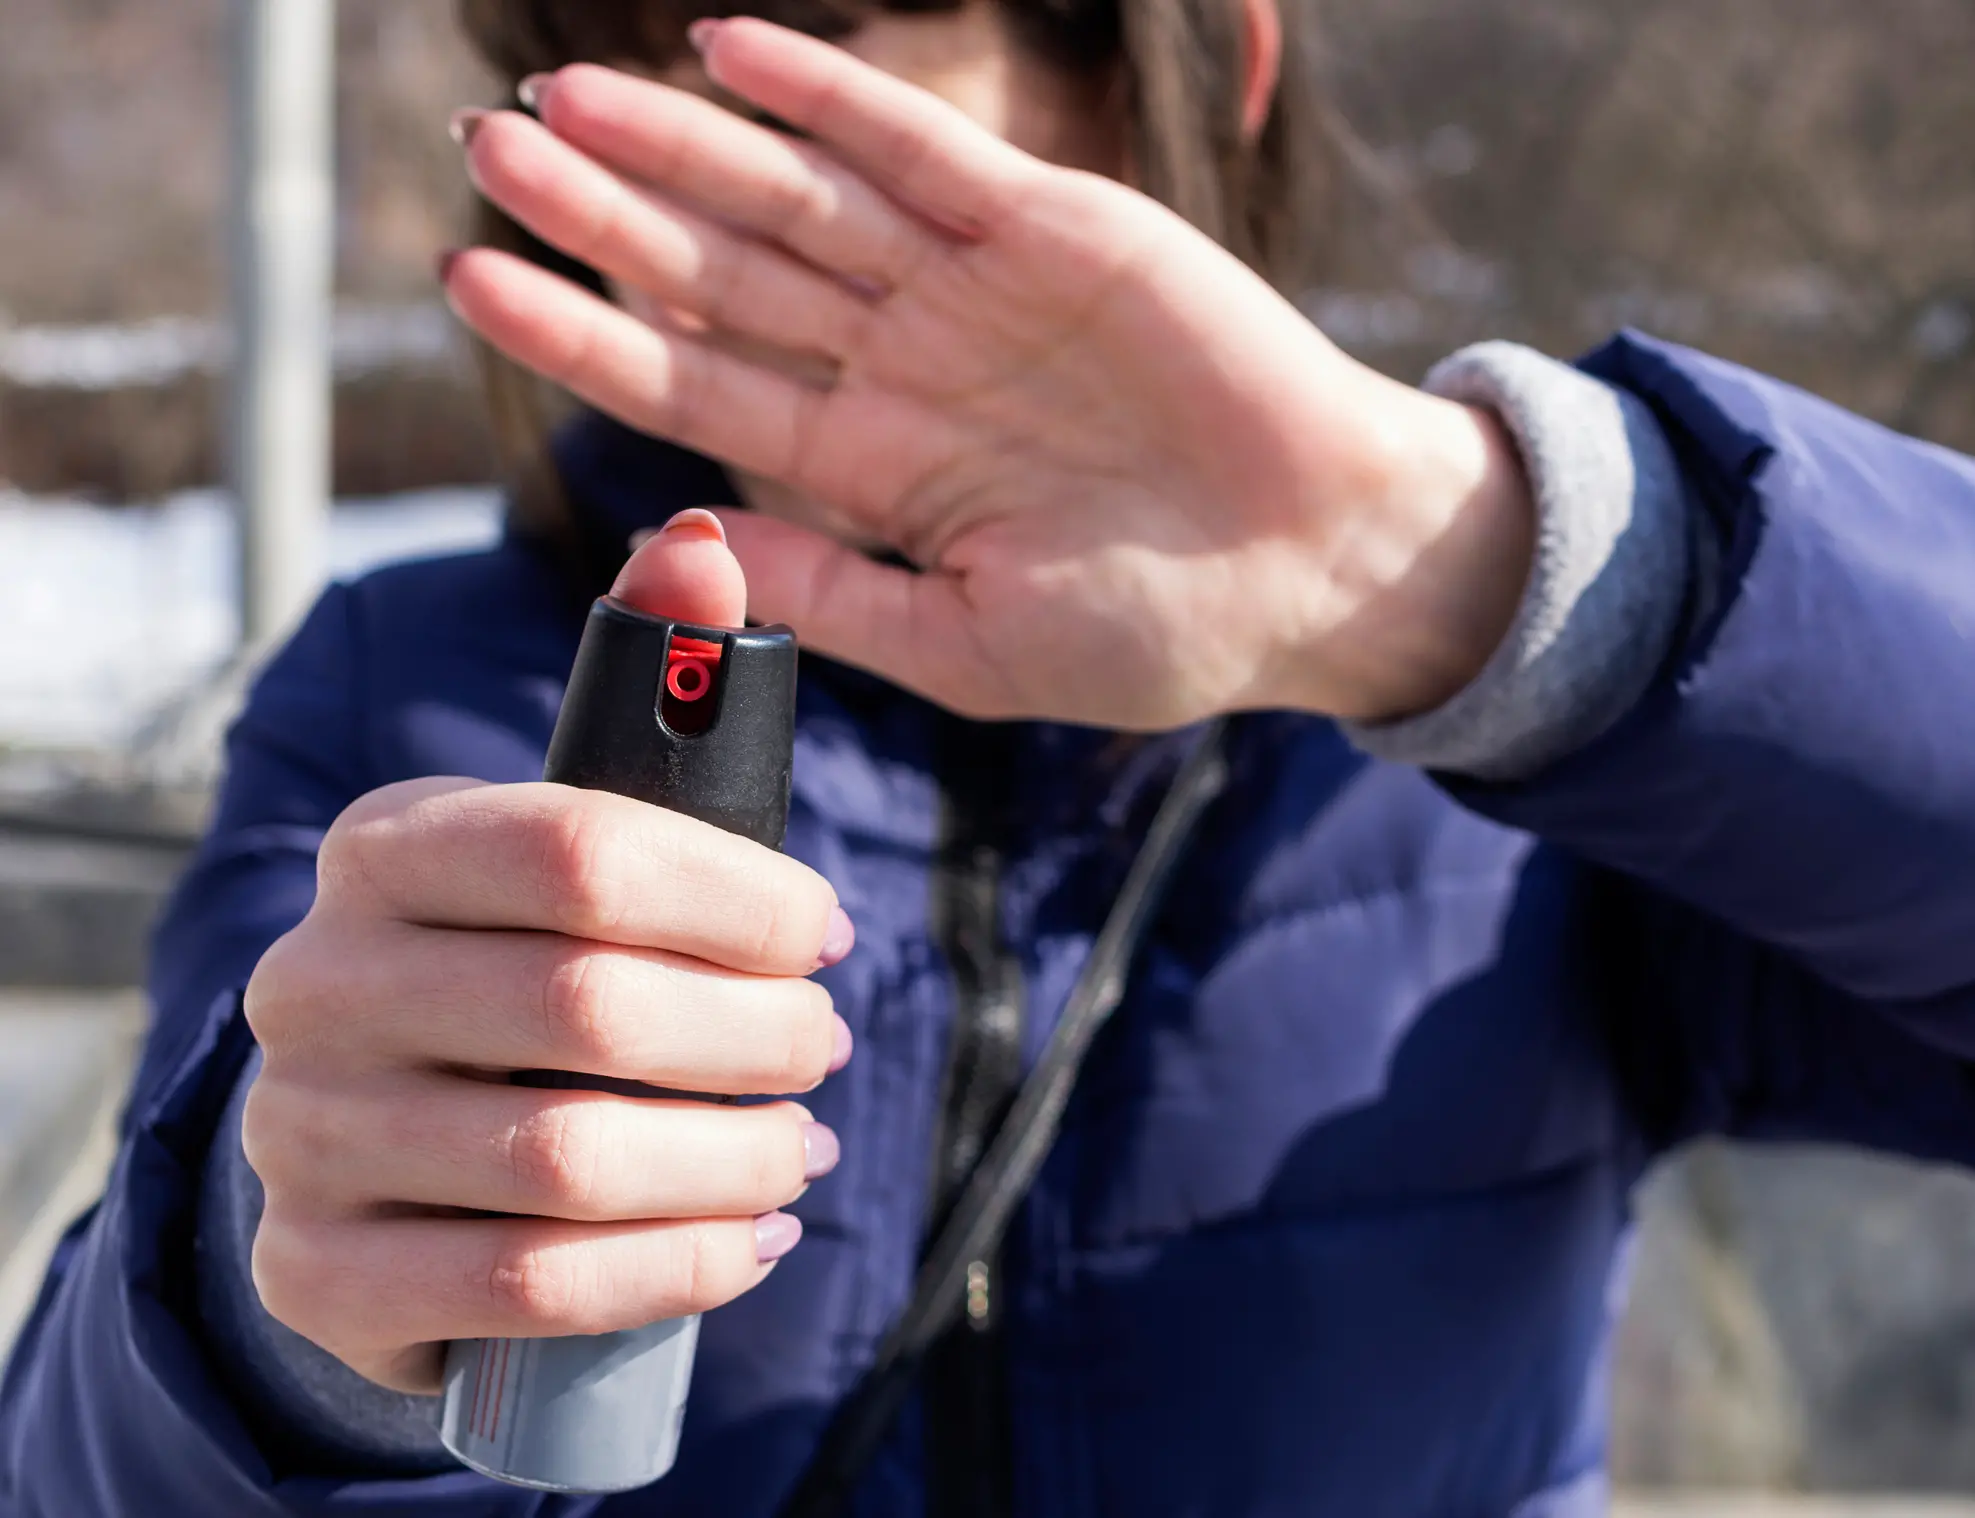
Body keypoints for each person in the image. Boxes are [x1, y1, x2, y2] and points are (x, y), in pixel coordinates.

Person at [7, 0, 1975, 1512]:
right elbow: (73, 1463)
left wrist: (1468, 578)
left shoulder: (1541, 754)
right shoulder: (405, 688)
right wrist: (294, 1325)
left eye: (829, 45)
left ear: (1183, 74)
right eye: (589, 42)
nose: (693, 175)